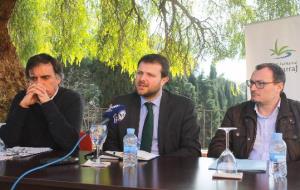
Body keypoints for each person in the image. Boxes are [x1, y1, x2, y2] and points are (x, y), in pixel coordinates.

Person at [103, 54, 201, 156]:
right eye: (140, 73)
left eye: (150, 75)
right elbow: (109, 145)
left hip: (167, 169)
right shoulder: (120, 105)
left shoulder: (183, 107)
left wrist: (159, 164)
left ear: (164, 80)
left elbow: (192, 150)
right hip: (128, 167)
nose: (142, 79)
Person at [208, 63, 300, 161]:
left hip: (285, 174)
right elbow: (216, 147)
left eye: (260, 84)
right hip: (245, 174)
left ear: (279, 87)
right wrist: (231, 163)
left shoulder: (297, 111)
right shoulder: (235, 113)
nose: (252, 88)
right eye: (251, 83)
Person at [0, 53, 83, 151]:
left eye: (45, 77)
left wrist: (47, 104)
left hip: (58, 162)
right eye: (33, 78)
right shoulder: (21, 98)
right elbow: (8, 141)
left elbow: (71, 144)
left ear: (58, 79)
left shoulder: (72, 99)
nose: (38, 83)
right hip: (24, 162)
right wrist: (22, 107)